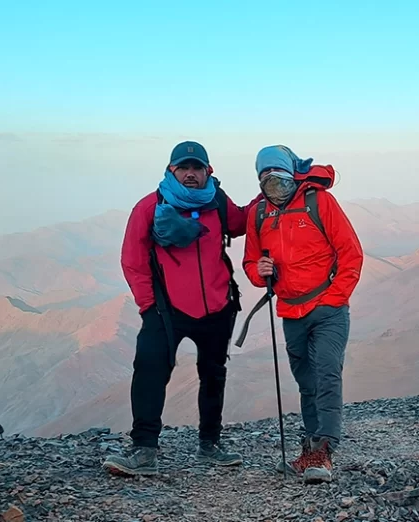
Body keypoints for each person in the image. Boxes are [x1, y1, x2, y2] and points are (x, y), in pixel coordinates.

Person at [102, 141, 262, 476]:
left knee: (213, 375)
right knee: (150, 372)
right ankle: (144, 451)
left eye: (196, 168)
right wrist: (149, 306)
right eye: (183, 168)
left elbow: (240, 222)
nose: (190, 174)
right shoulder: (150, 207)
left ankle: (210, 444)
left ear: (208, 171)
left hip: (218, 306)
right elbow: (132, 260)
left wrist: (275, 187)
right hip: (165, 310)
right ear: (171, 170)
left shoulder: (217, 201)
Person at [241, 145, 363, 484]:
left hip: (327, 310)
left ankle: (324, 450)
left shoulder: (319, 202)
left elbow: (351, 253)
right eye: (265, 179)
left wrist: (334, 299)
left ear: (292, 173)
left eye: (278, 178)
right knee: (306, 381)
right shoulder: (259, 213)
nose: (273, 186)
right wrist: (258, 271)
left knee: (327, 373)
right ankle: (310, 448)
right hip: (289, 311)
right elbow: (251, 262)